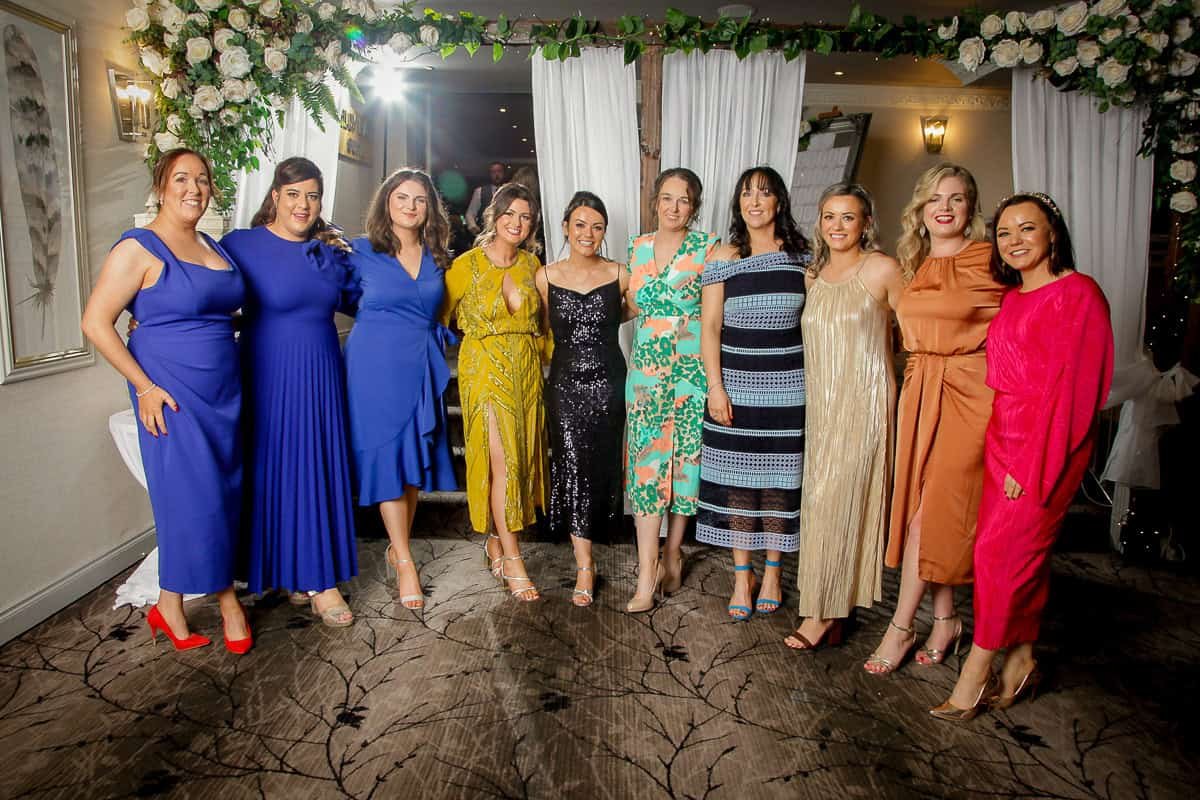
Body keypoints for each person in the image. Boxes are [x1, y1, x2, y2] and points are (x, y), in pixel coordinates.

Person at [931, 193, 1113, 721]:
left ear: (1052, 232)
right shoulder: (1012, 299)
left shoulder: (1078, 295)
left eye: (1026, 229)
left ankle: (977, 671)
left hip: (1046, 442)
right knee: (1014, 558)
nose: (1014, 241)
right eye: (1005, 232)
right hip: (1001, 438)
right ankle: (1023, 658)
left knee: (1000, 556)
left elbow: (1077, 394)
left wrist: (1032, 466)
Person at [80, 148, 251, 653]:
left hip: (224, 390)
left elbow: (221, 312)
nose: (193, 188)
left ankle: (169, 604)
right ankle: (227, 602)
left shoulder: (213, 246)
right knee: (197, 499)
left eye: (202, 179)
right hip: (170, 393)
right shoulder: (139, 247)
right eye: (181, 178)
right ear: (161, 185)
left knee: (221, 494)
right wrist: (144, 386)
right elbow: (95, 323)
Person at [864, 163, 1006, 675]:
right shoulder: (913, 261)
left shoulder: (991, 258)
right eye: (934, 199)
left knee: (932, 512)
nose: (944, 207)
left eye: (957, 198)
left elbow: (1021, 323)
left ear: (971, 208)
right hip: (921, 388)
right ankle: (945, 618)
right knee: (926, 506)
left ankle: (901, 625)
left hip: (972, 391)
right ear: (921, 211)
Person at [219, 158, 359, 628]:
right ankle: (286, 572)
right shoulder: (240, 246)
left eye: (313, 195)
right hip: (264, 372)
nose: (303, 204)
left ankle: (320, 580)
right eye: (294, 193)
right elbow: (206, 295)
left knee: (314, 469)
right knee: (270, 472)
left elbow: (371, 305)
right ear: (275, 196)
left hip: (319, 373)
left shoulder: (330, 256)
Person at [786, 183, 905, 649]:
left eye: (848, 217)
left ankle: (826, 611)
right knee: (818, 504)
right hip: (822, 409)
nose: (837, 226)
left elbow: (915, 338)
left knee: (839, 500)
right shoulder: (813, 275)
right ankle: (824, 605)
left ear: (866, 224)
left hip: (866, 406)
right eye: (829, 217)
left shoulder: (882, 269)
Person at [696, 166, 809, 621]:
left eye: (764, 193)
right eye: (746, 194)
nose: (754, 202)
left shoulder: (802, 258)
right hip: (736, 388)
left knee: (779, 484)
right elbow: (709, 328)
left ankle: (775, 573)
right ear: (738, 204)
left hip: (787, 389)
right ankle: (743, 576)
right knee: (740, 484)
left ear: (778, 201)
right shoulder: (724, 255)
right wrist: (716, 389)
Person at [345, 168, 458, 611]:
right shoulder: (357, 251)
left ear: (430, 208)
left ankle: (398, 546)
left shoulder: (439, 256)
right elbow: (328, 296)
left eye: (420, 200)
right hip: (373, 365)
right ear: (386, 202)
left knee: (413, 461)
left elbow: (448, 310)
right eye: (402, 197)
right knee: (388, 456)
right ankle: (407, 561)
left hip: (421, 364)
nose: (411, 206)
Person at [442, 182, 548, 601]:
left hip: (526, 372)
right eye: (510, 214)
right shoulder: (466, 266)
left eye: (525, 217)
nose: (517, 223)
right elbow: (437, 316)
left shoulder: (533, 266)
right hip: (483, 371)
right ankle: (514, 558)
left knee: (518, 462)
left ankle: (495, 542)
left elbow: (546, 328)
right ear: (493, 215)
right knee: (500, 460)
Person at [625, 168, 720, 613]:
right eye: (666, 198)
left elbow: (713, 321)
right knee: (647, 470)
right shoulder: (638, 247)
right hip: (645, 376)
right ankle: (646, 575)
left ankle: (673, 551)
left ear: (694, 206)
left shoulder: (708, 248)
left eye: (683, 200)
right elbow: (627, 304)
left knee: (684, 465)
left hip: (688, 373)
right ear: (655, 201)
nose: (673, 207)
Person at [534, 191, 629, 607]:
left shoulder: (622, 274)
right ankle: (585, 566)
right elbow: (539, 327)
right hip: (566, 382)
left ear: (604, 231)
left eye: (597, 226)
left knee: (603, 465)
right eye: (580, 225)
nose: (588, 233)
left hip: (610, 380)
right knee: (571, 464)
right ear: (566, 228)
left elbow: (634, 312)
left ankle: (598, 537)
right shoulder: (545, 276)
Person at [465, 161, 507, 236]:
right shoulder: (480, 191)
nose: (497, 174)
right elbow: (470, 213)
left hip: (504, 233)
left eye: (499, 171)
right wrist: (473, 227)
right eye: (493, 172)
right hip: (485, 233)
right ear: (489, 174)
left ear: (504, 173)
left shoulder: (509, 191)